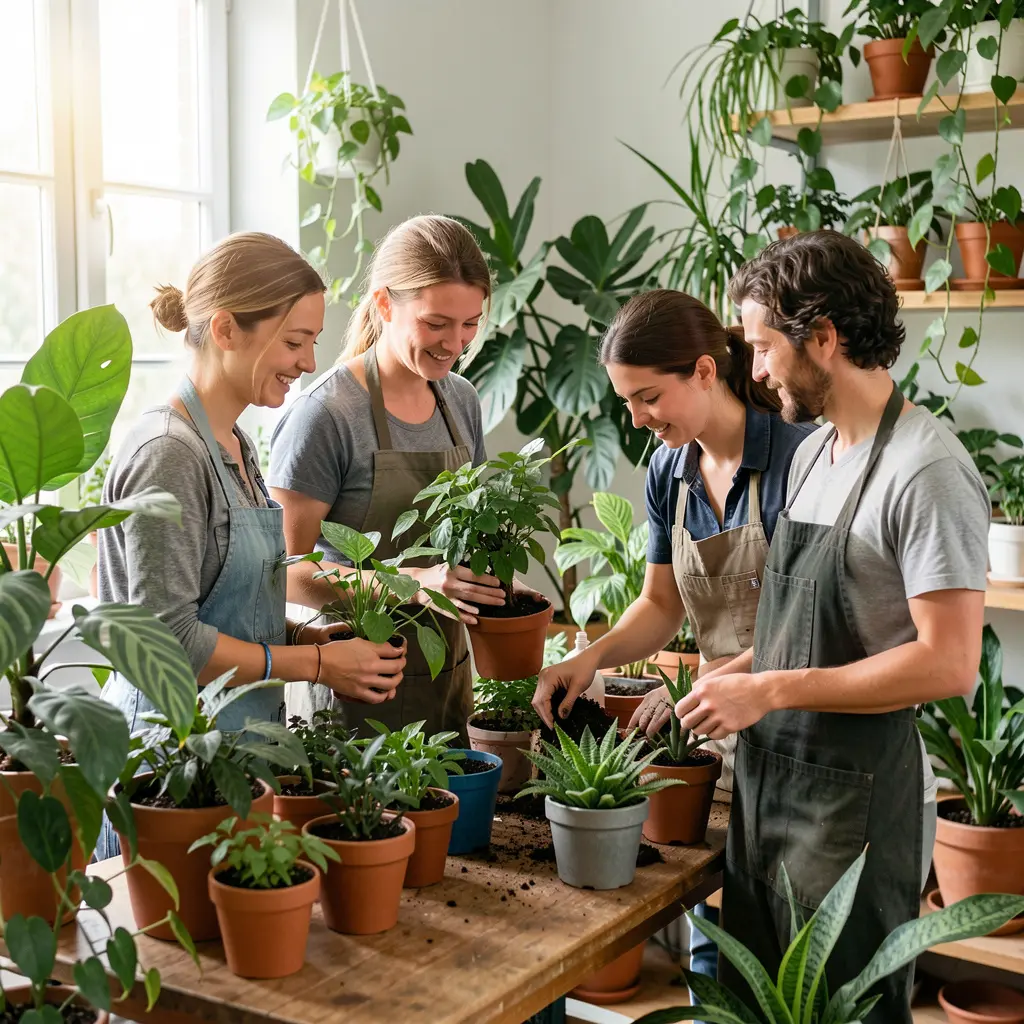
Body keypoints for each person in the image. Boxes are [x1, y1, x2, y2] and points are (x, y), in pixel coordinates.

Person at [672, 231, 987, 1023]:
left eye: (765, 346)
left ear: (823, 338)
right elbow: (807, 625)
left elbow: (948, 665)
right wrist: (744, 669)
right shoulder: (814, 455)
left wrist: (770, 686)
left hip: (854, 814)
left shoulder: (926, 470)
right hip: (769, 793)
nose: (759, 367)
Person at [530, 288, 814, 989]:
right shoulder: (671, 470)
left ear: (706, 372)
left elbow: (822, 625)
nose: (637, 420)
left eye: (648, 397)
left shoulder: (800, 458)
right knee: (720, 940)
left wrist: (722, 678)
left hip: (809, 728)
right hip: (723, 728)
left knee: (798, 948)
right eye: (626, 402)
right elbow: (659, 604)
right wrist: (585, 658)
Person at [96, 233, 406, 858]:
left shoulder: (235, 445)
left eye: (313, 342)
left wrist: (317, 641)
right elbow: (170, 641)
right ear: (226, 329)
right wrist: (317, 667)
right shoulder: (169, 455)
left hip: (229, 757)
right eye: (295, 341)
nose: (309, 362)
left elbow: (232, 606)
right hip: (166, 772)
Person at [269, 215, 507, 741]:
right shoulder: (326, 414)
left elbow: (468, 536)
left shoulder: (459, 399)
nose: (456, 343)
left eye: (470, 323)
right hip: (353, 682)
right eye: (436, 323)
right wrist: (410, 584)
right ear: (384, 304)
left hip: (445, 677)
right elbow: (282, 573)